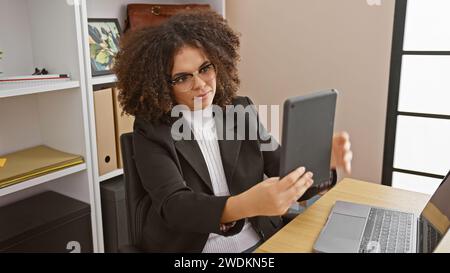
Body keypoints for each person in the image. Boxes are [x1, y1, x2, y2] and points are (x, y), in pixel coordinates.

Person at [115, 10, 352, 253]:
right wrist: (245, 205)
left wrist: (323, 163)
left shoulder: (240, 109)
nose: (200, 83)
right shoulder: (151, 130)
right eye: (182, 77)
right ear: (163, 85)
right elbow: (175, 206)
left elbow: (283, 170)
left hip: (263, 241)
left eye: (205, 68)